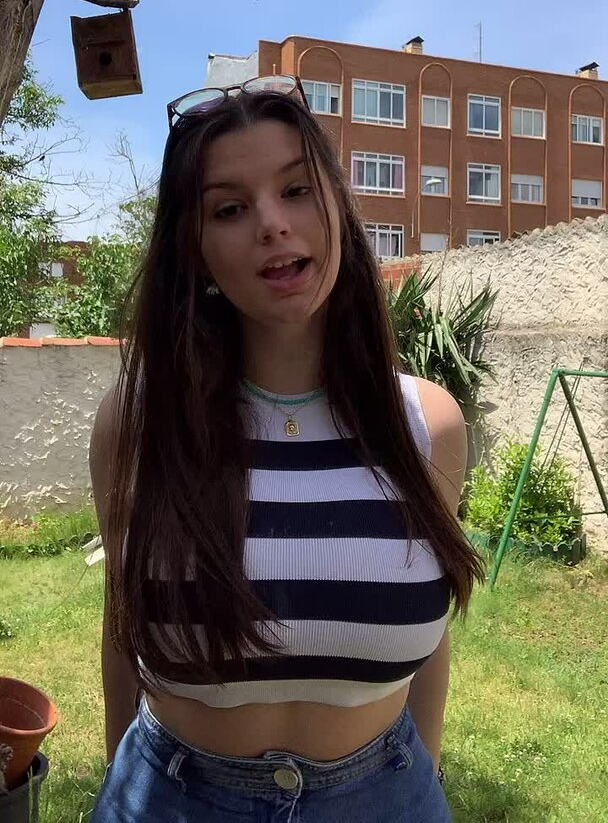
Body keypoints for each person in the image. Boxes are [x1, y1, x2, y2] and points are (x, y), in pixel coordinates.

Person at [88, 75, 486, 822]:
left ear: (337, 206)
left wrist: (422, 775)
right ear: (195, 250)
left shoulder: (426, 424)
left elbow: (430, 639)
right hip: (171, 799)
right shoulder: (140, 424)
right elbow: (122, 625)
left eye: (297, 190)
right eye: (229, 208)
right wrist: (121, 779)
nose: (272, 224)